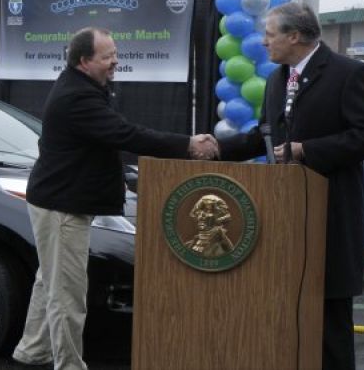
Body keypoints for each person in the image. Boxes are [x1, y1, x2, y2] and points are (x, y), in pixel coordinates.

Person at [12, 27, 218, 369]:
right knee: (66, 297)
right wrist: (187, 144)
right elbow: (125, 134)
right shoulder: (77, 97)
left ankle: (31, 353)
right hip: (62, 208)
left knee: (50, 282)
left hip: (60, 202)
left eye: (115, 54)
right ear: (84, 61)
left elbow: (108, 139)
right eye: (107, 57)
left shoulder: (85, 88)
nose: (115, 62)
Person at [217, 2, 364, 370]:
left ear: (294, 36)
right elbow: (263, 136)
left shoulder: (348, 73)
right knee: (287, 323)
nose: (263, 42)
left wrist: (306, 150)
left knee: (329, 330)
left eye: (270, 34)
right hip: (285, 224)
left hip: (330, 222)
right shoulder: (279, 78)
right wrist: (212, 149)